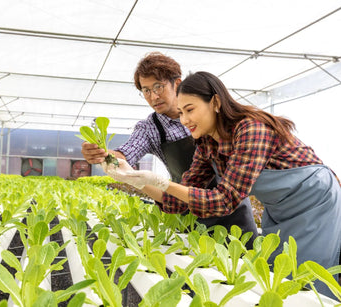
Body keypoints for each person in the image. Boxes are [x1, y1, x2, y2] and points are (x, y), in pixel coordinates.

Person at [103, 71, 341, 298]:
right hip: (278, 207)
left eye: (190, 110)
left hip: (314, 201)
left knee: (307, 281)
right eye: (181, 112)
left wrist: (162, 182)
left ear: (215, 102)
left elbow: (224, 201)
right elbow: (178, 202)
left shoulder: (251, 129)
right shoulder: (207, 144)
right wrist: (134, 180)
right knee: (277, 274)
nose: (184, 120)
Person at [82, 52, 258, 244]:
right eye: (146, 91)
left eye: (158, 87)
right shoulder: (150, 128)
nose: (153, 96)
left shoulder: (217, 117)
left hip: (233, 207)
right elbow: (126, 153)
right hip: (187, 207)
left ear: (177, 83)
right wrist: (104, 155)